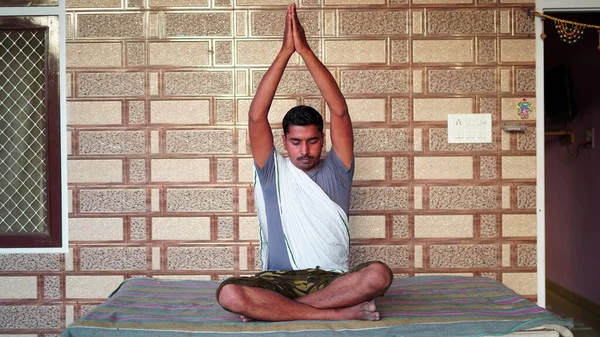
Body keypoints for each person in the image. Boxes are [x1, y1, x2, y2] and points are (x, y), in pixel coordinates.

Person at [216, 3, 392, 322]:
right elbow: (256, 115)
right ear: (284, 141)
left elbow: (339, 111)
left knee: (377, 275)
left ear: (322, 139)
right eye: (296, 142)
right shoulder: (272, 172)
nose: (305, 150)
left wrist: (306, 52)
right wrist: (285, 52)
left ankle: (280, 312)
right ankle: (334, 314)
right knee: (229, 293)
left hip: (330, 280)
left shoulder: (337, 170)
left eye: (312, 141)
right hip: (277, 281)